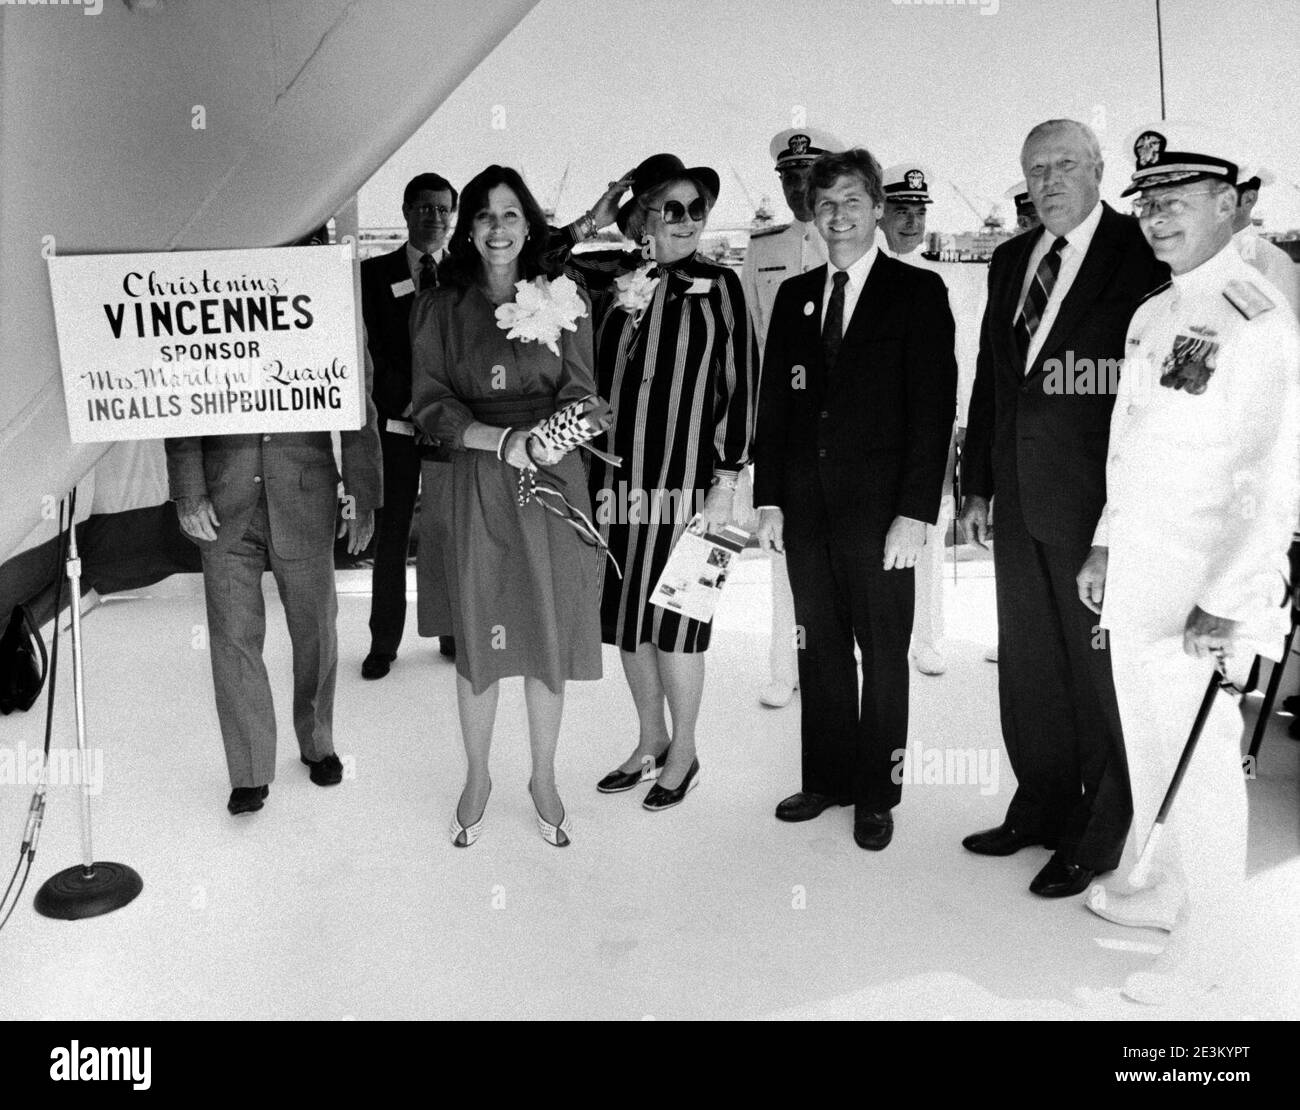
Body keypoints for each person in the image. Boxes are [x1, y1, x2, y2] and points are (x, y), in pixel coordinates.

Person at [1077, 123, 1300, 1003]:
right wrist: (1103, 539)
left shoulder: (1255, 315)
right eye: (1146, 201)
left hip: (1206, 582)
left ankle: (1216, 959)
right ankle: (1163, 888)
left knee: (1205, 762)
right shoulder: (1154, 311)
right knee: (1152, 742)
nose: (1156, 215)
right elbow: (1129, 445)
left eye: (1176, 199)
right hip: (1140, 570)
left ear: (1228, 204)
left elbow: (1273, 473)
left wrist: (1231, 596)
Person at [959, 119, 1167, 897]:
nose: (1049, 181)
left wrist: (1121, 521)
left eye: (1065, 166)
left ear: (1099, 171)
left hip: (1096, 504)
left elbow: (1146, 399)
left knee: (1096, 676)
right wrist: (974, 483)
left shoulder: (1138, 254)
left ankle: (1097, 835)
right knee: (1030, 666)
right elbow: (991, 379)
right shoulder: (1012, 259)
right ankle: (1040, 808)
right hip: (1016, 499)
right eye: (1036, 168)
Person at [755, 148, 957, 850]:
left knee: (884, 650)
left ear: (877, 208)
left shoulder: (918, 294)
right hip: (807, 511)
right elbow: (774, 404)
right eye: (825, 204)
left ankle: (877, 791)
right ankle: (828, 779)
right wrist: (770, 498)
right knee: (821, 649)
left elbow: (933, 414)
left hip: (882, 516)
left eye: (850, 202)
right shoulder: (796, 295)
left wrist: (915, 513)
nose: (836, 217)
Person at [410, 165, 605, 848]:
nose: (498, 228)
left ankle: (544, 775)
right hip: (474, 477)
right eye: (486, 215)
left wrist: (552, 439)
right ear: (469, 226)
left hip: (552, 481)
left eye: (511, 214)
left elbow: (585, 394)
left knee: (545, 631)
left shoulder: (566, 295)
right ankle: (478, 774)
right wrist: (504, 441)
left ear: (530, 225)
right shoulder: (438, 307)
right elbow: (431, 404)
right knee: (480, 630)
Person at [556, 153, 758, 810]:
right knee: (628, 623)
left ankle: (686, 750)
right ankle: (649, 741)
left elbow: (742, 386)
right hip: (617, 486)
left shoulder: (721, 285)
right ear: (640, 213)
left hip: (694, 491)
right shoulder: (603, 280)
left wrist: (730, 479)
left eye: (698, 208)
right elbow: (537, 266)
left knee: (679, 625)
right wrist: (599, 209)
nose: (689, 220)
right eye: (672, 207)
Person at [166, 225, 383, 815]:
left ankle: (318, 743)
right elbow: (175, 391)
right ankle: (250, 770)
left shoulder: (333, 305)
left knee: (316, 632)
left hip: (306, 498)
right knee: (233, 640)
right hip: (221, 500)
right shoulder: (211, 293)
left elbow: (360, 405)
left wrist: (363, 494)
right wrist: (187, 489)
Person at [738, 127, 844, 708]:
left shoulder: (852, 238)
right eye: (788, 176)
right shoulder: (764, 251)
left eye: (809, 173)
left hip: (850, 430)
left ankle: (838, 661)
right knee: (782, 546)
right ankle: (785, 667)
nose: (798, 185)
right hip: (789, 429)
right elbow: (757, 353)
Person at [359, 172, 458, 679]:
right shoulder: (371, 276)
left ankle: (449, 631)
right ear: (405, 211)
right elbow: (370, 352)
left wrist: (440, 412)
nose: (434, 218)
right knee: (391, 536)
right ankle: (383, 643)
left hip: (448, 431)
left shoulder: (465, 274)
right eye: (423, 208)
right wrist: (409, 406)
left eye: (443, 209)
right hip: (394, 428)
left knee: (444, 534)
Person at [877, 162, 956, 677]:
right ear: (881, 215)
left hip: (937, 430)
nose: (912, 221)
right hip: (882, 438)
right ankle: (881, 640)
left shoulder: (950, 276)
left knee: (930, 534)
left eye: (919, 210)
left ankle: (926, 639)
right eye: (902, 211)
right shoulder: (866, 278)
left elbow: (961, 367)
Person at [1231, 167, 1300, 316]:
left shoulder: (1271, 261)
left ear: (1248, 199)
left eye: (1222, 195)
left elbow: (1281, 331)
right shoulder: (1186, 254)